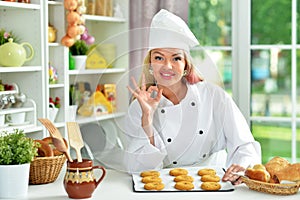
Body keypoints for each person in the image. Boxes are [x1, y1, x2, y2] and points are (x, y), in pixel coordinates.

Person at [124, 9, 261, 185]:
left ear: (186, 66)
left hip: (214, 183)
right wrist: (147, 119)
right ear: (150, 65)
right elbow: (139, 170)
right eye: (159, 58)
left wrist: (241, 167)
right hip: (164, 188)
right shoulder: (139, 106)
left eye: (176, 58)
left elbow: (245, 145)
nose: (168, 66)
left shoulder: (213, 96)